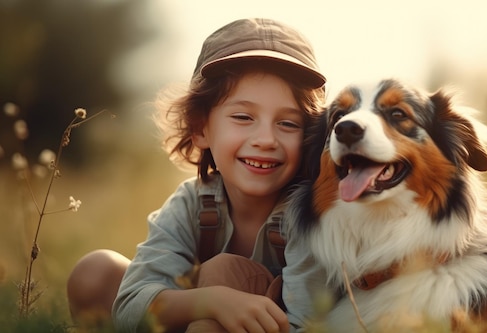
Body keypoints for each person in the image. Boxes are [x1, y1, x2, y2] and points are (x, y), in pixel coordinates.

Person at [66, 17, 326, 333]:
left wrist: (218, 295)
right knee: (97, 272)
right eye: (243, 117)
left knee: (225, 269)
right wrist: (213, 301)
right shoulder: (194, 202)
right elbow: (131, 304)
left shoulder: (313, 211)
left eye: (288, 123)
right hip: (200, 319)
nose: (266, 139)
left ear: (312, 134)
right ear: (200, 127)